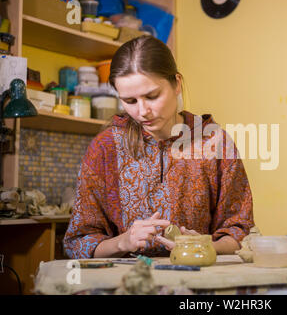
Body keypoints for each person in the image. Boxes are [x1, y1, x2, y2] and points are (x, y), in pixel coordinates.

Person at [63, 36, 254, 259]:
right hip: (127, 285)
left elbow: (242, 233)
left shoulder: (214, 142)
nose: (142, 111)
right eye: (130, 101)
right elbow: (76, 243)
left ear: (177, 84)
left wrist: (206, 246)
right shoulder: (105, 147)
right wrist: (123, 241)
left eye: (152, 96)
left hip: (197, 279)